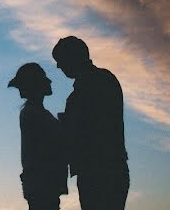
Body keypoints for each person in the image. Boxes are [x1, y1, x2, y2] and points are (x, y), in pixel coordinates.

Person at [52, 36, 129, 210]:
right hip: (106, 168)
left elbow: (88, 129)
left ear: (72, 58)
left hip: (99, 171)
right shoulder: (105, 79)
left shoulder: (91, 86)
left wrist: (66, 126)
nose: (58, 66)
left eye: (60, 61)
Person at [8, 62, 69, 210]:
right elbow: (57, 142)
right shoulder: (33, 113)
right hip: (43, 185)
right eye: (44, 78)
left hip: (42, 185)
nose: (49, 81)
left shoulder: (35, 113)